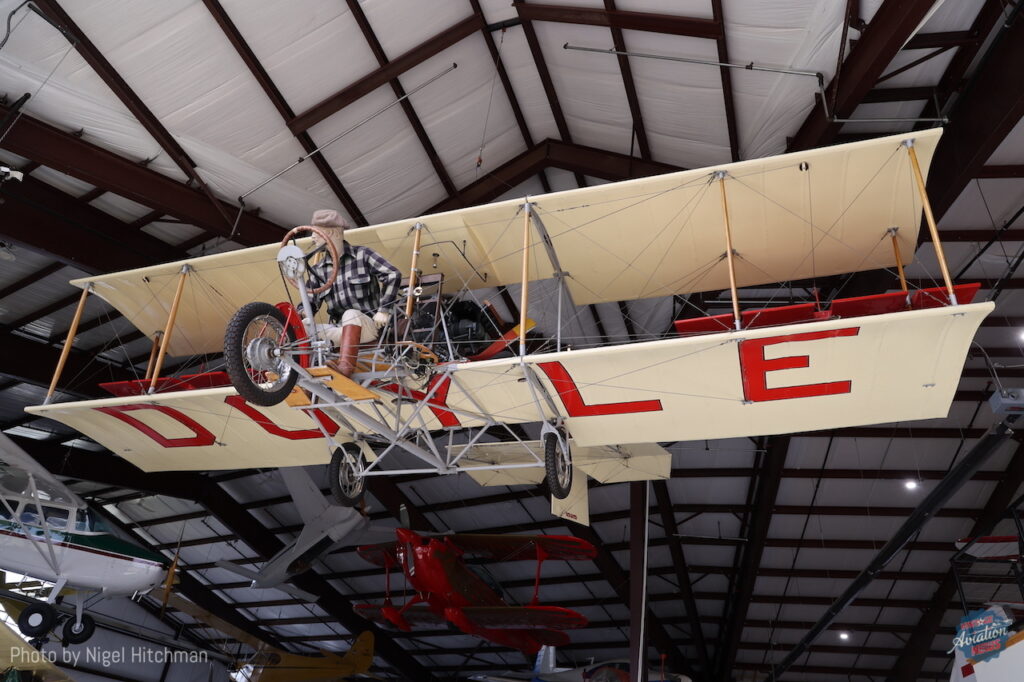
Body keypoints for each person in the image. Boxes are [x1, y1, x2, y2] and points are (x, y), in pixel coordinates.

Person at [302, 209, 402, 377]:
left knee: (351, 314)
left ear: (331, 232)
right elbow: (309, 303)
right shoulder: (318, 269)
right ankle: (299, 375)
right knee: (302, 329)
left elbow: (393, 274)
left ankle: (345, 367)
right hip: (341, 331)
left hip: (369, 327)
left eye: (315, 232)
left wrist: (383, 310)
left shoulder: (363, 255)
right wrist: (302, 316)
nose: (312, 238)